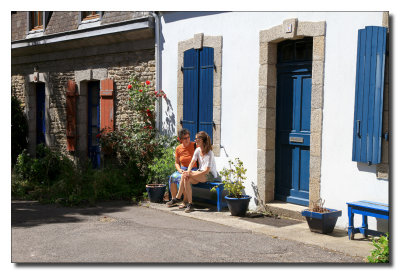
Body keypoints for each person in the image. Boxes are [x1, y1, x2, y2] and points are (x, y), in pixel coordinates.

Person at [167, 131, 219, 213]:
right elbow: (192, 162)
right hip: (200, 172)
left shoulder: (209, 152)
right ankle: (190, 204)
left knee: (185, 175)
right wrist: (188, 171)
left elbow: (207, 170)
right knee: (186, 178)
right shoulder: (198, 150)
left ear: (201, 140)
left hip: (209, 175)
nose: (194, 140)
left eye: (196, 139)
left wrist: (190, 173)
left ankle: (177, 197)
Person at [166, 128, 197, 209]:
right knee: (173, 177)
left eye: (188, 137)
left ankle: (184, 201)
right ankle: (174, 199)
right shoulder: (178, 148)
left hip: (192, 169)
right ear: (180, 139)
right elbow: (176, 163)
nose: (187, 139)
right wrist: (179, 170)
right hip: (182, 169)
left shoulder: (194, 146)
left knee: (183, 178)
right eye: (185, 138)